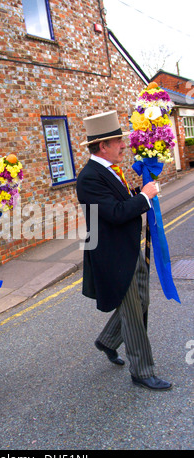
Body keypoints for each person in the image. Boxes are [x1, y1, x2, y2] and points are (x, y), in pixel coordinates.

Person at [76, 110, 172, 391]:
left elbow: (119, 203)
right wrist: (144, 196)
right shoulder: (89, 178)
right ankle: (142, 370)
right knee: (132, 311)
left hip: (130, 248)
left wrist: (137, 194)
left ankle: (107, 340)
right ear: (102, 146)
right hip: (113, 256)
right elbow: (116, 213)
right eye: (118, 140)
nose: (124, 145)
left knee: (142, 301)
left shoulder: (108, 170)